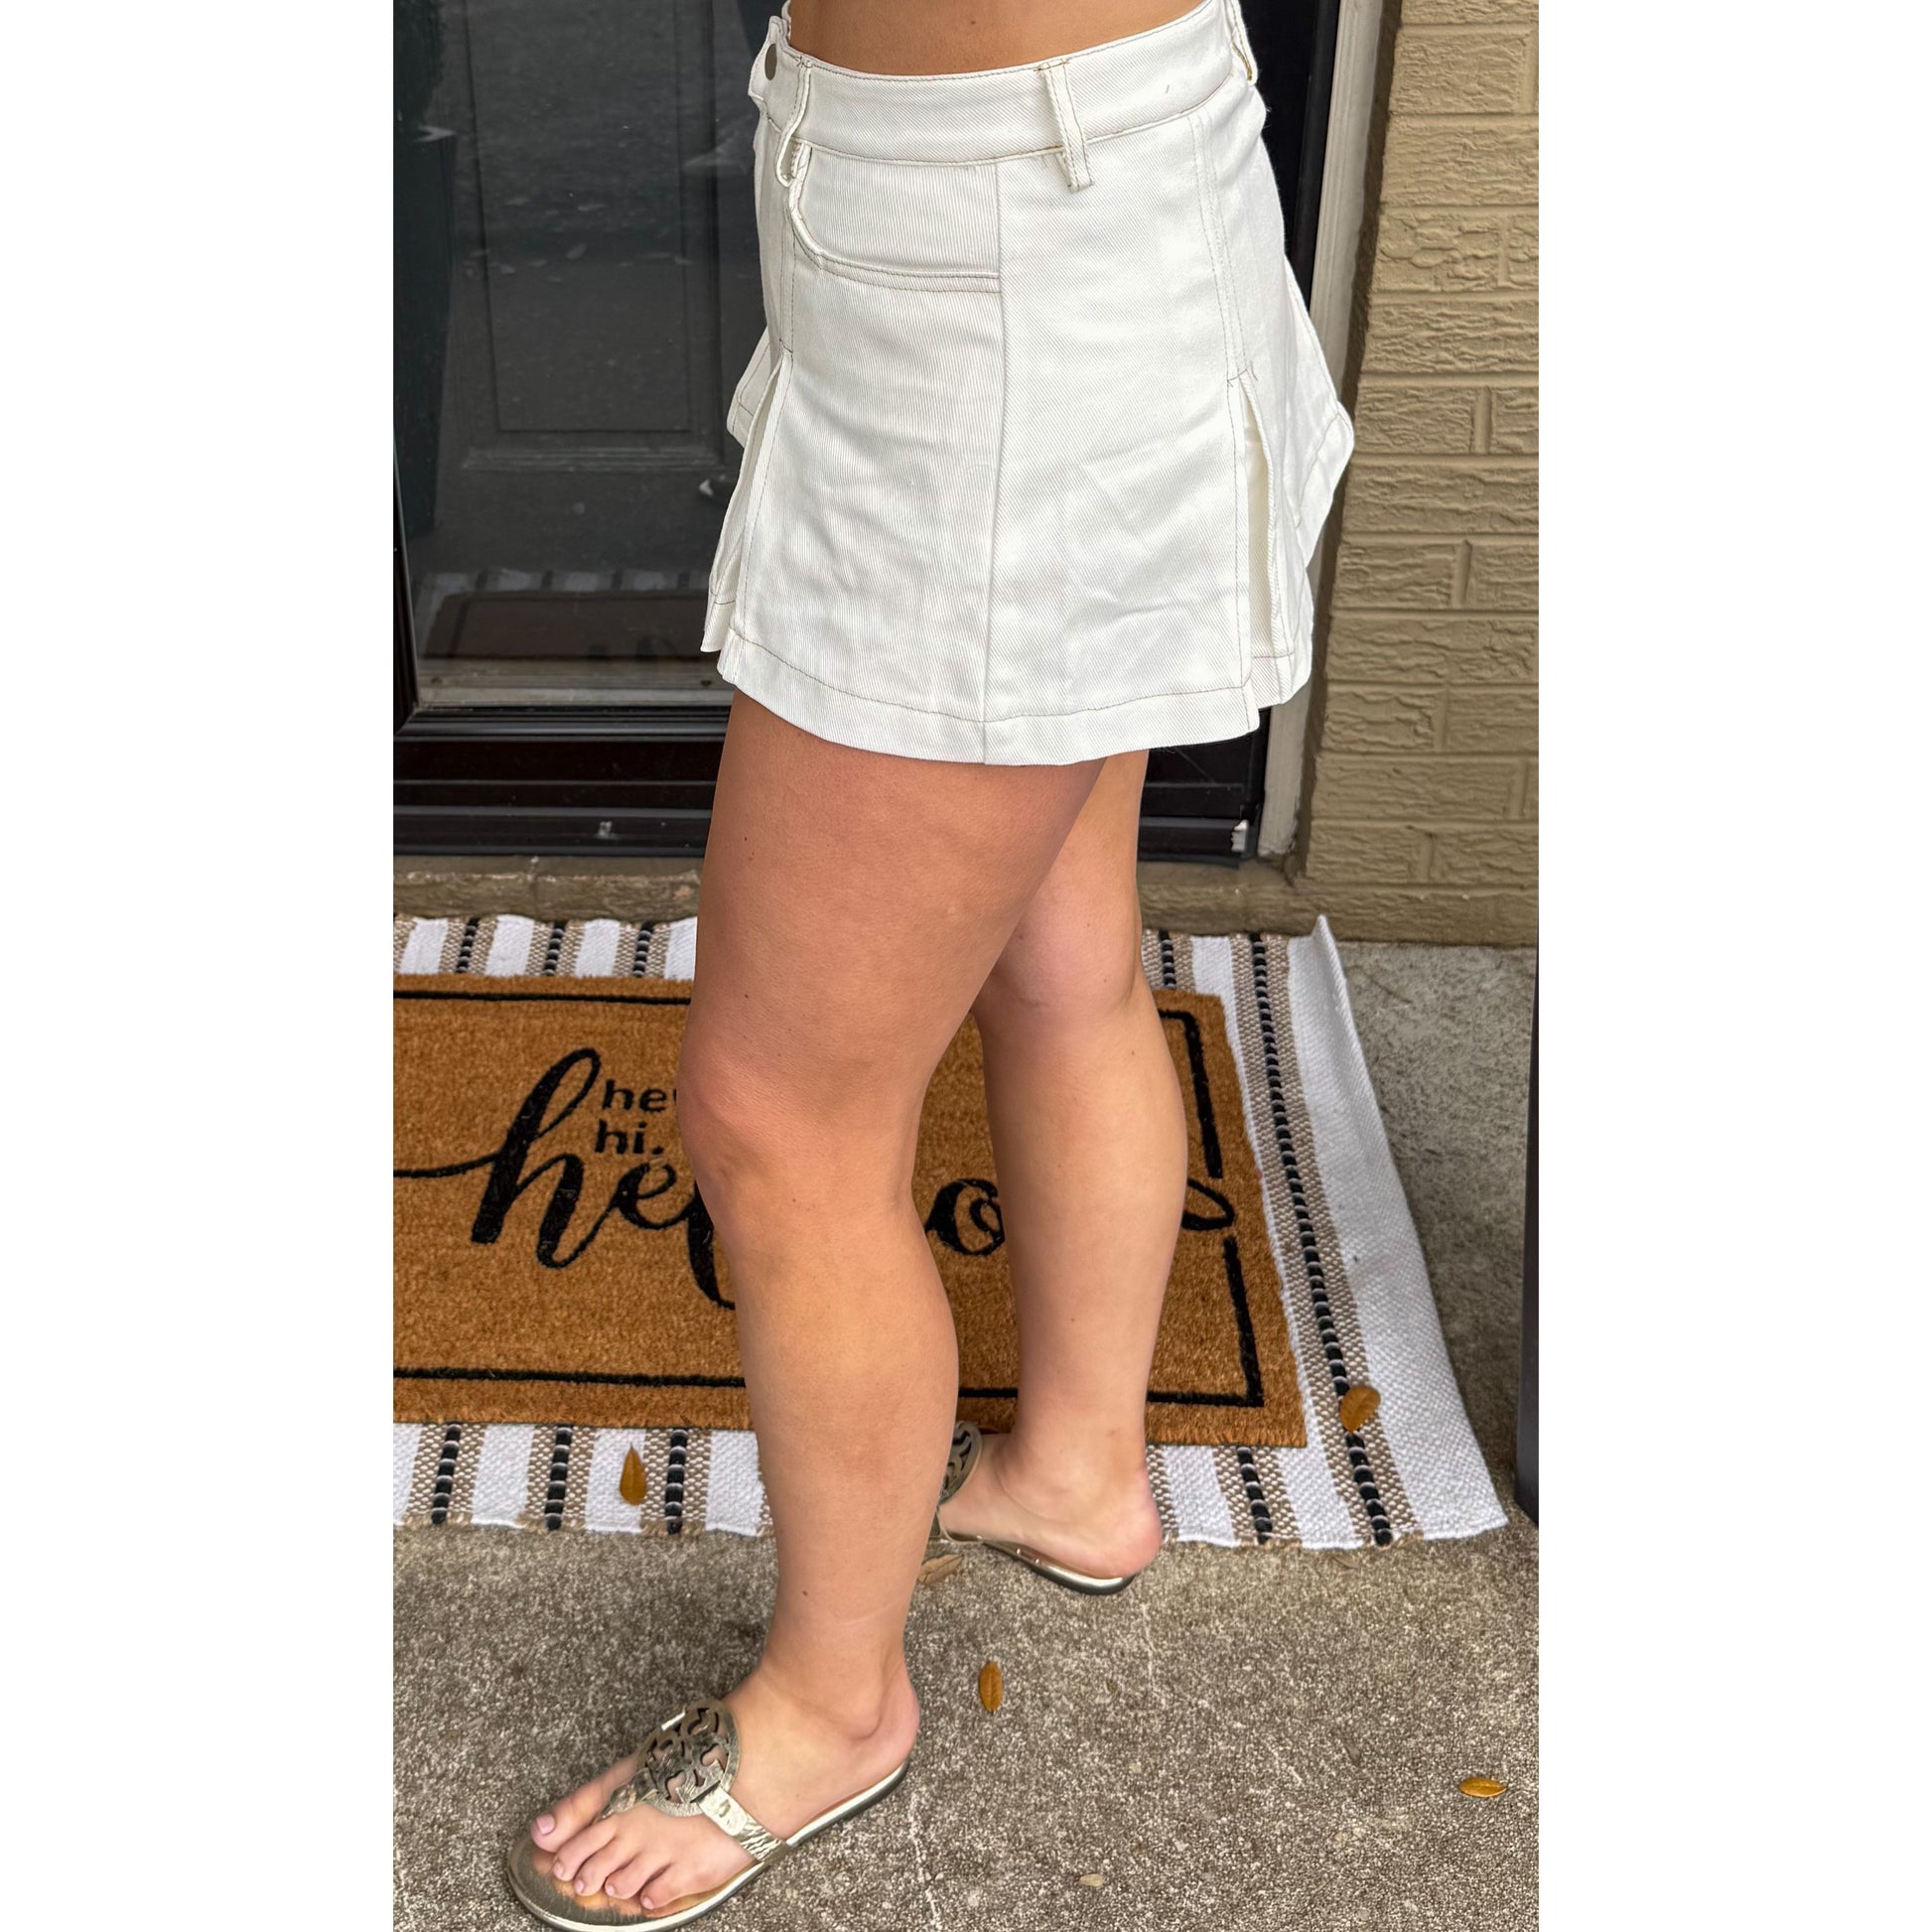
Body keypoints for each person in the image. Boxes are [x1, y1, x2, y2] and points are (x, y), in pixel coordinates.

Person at [507, 2, 1352, 1922]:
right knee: (1059, 948)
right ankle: (1075, 1470)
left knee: (775, 1118)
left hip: (1015, 266)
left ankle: (831, 1702)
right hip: (1025, 191)